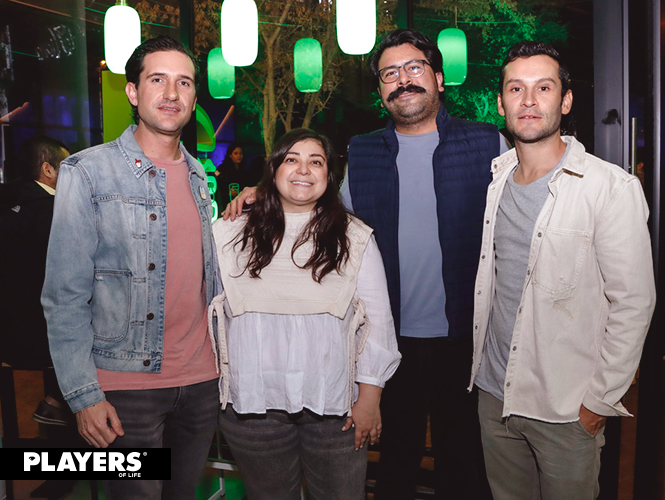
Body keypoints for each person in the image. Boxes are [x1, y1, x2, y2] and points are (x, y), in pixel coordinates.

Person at [224, 29, 504, 500]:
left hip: (469, 340)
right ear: (380, 90)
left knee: (466, 465)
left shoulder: (488, 144)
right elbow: (321, 208)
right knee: (393, 463)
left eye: (414, 68)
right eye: (389, 74)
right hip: (389, 341)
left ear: (438, 78)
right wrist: (261, 191)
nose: (403, 80)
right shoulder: (365, 150)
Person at [470, 41, 656, 500]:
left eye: (544, 87)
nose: (529, 101)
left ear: (565, 100)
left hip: (566, 408)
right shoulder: (497, 179)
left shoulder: (609, 188)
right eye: (516, 88)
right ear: (501, 102)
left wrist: (598, 401)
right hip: (495, 397)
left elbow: (634, 302)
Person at [41, 36, 220, 500]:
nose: (172, 93)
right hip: (125, 388)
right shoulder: (88, 173)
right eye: (157, 79)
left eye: (184, 83)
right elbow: (64, 296)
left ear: (194, 97)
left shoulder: (200, 177)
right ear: (133, 93)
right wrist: (83, 394)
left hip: (201, 384)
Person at [210, 128, 401, 500]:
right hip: (251, 408)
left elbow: (378, 324)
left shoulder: (354, 236)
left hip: (335, 411)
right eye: (291, 159)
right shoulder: (230, 233)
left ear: (330, 176)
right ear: (274, 169)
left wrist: (370, 399)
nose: (304, 170)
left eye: (316, 161)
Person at [0, 135, 71, 425]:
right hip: (36, 335)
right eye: (67, 166)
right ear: (48, 170)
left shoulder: (9, 201)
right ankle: (56, 403)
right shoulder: (51, 211)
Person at [214, 142, 249, 207]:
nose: (239, 156)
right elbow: (216, 184)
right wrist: (227, 193)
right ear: (230, 155)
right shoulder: (222, 168)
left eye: (241, 153)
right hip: (224, 202)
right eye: (236, 153)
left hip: (239, 201)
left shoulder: (243, 170)